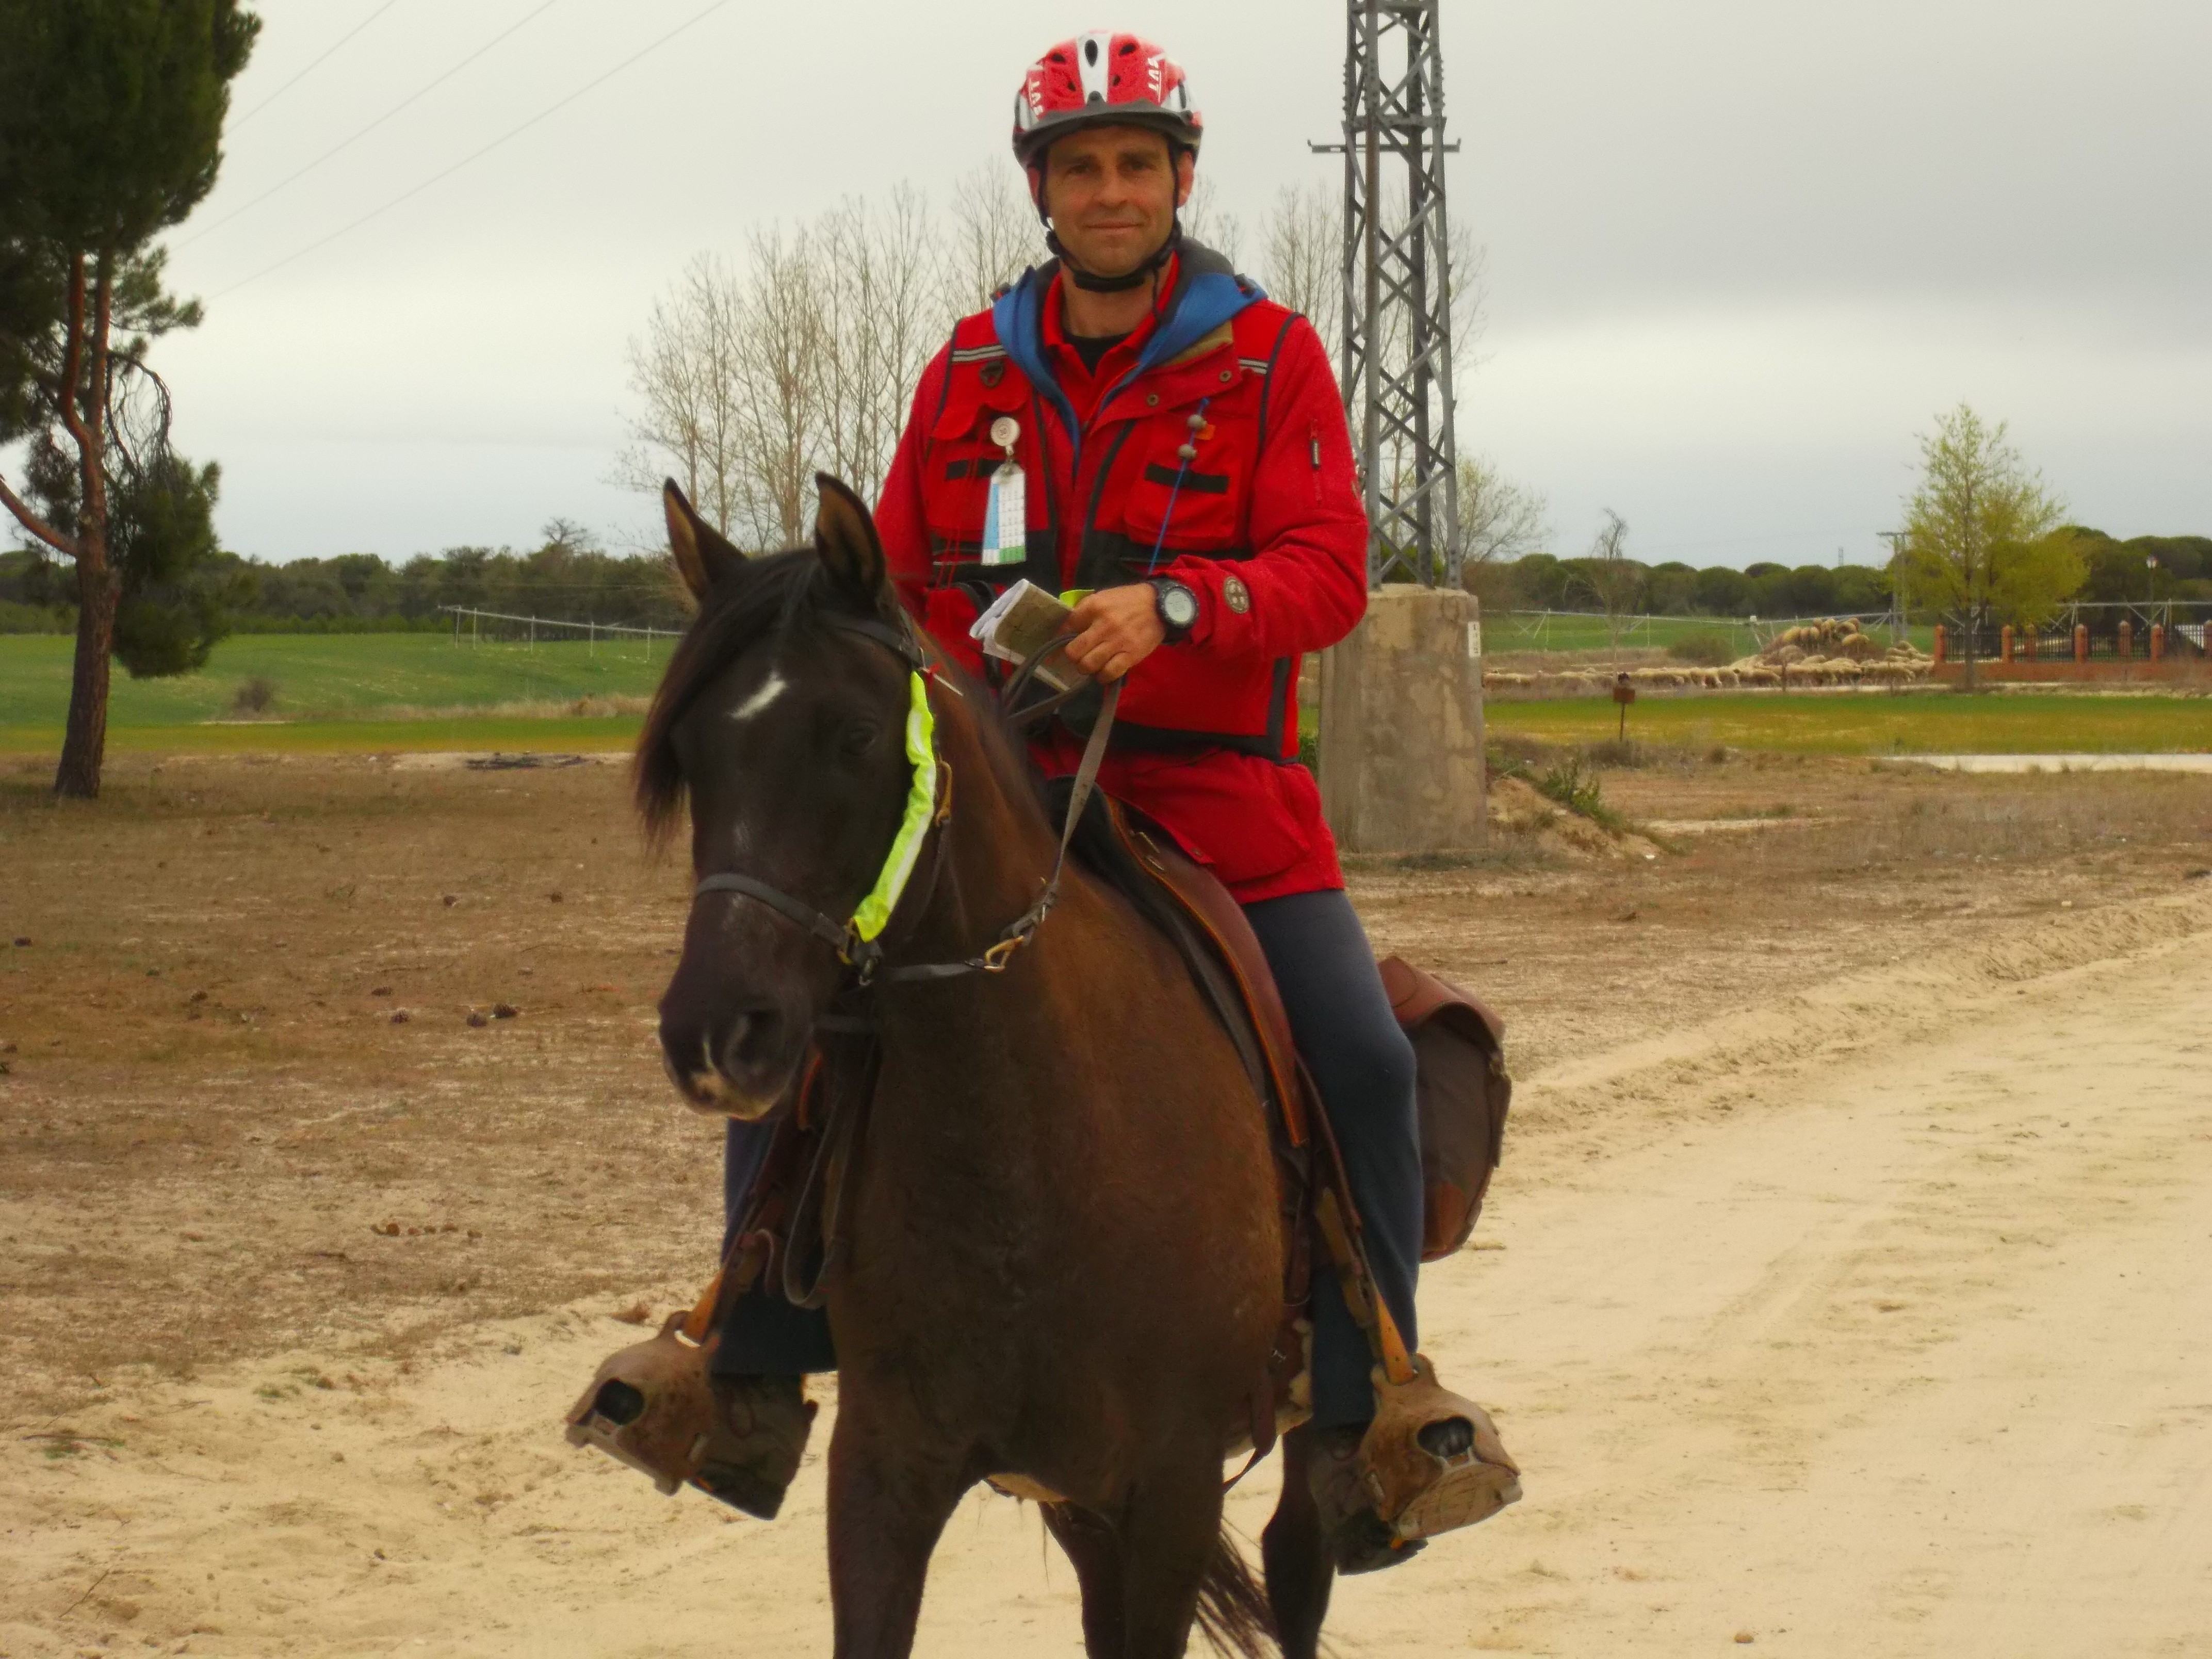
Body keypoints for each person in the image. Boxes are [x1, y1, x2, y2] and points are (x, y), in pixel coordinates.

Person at [636, 31, 1514, 1571]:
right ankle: (751, 1367)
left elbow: (1328, 571)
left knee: (1365, 1060)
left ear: (1181, 177)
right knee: (800, 1006)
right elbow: (889, 588)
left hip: (1219, 806)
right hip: (1003, 798)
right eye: (1080, 166)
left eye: (1137, 163)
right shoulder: (975, 367)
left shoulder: (1269, 357)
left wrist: (1177, 609)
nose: (1110, 191)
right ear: (1041, 187)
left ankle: (1365, 1413)